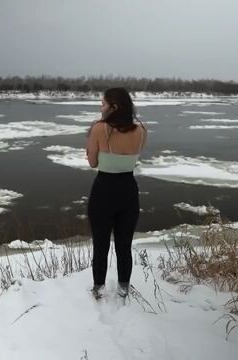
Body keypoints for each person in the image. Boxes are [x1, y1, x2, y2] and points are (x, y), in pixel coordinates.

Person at [86, 87, 147, 300]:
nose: (100, 107)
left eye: (103, 104)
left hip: (104, 190)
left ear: (115, 106)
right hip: (128, 190)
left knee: (100, 244)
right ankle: (123, 288)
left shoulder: (98, 129)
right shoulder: (141, 130)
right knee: (124, 244)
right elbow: (135, 157)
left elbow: (93, 162)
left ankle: (99, 289)